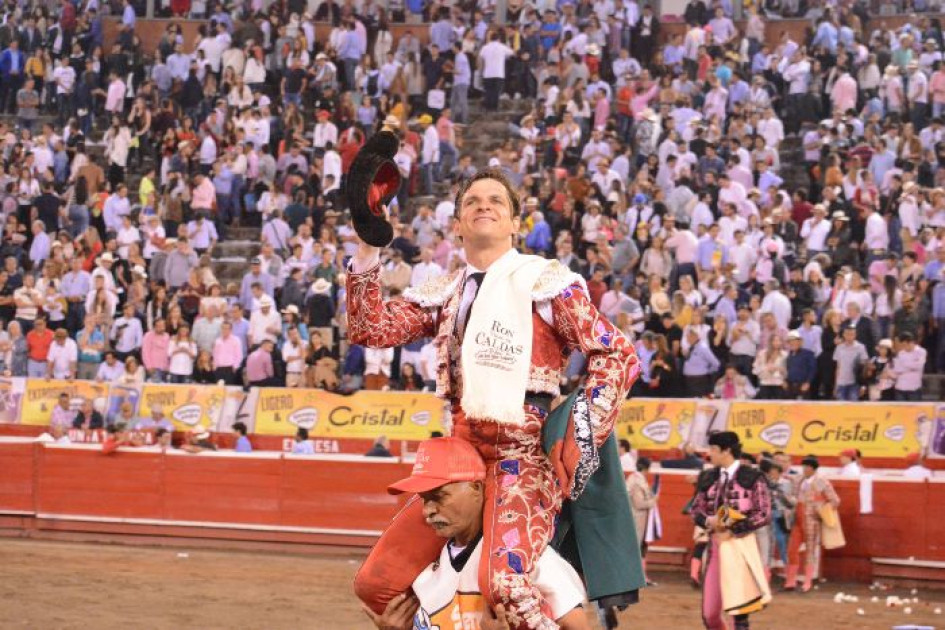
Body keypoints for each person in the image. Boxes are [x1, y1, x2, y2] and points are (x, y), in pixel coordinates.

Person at [350, 167, 639, 629]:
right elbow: (371, 328)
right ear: (458, 224)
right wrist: (367, 246)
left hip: (522, 455)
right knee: (376, 585)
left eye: (496, 201)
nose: (483, 205)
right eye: (472, 202)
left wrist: (581, 429)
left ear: (513, 224)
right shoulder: (447, 292)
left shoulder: (547, 283)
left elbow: (618, 354)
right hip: (459, 459)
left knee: (505, 585)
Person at [365, 437, 589, 630]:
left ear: (476, 488)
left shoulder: (526, 558)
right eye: (424, 499)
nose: (428, 511)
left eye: (439, 496)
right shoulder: (420, 572)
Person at [691, 431, 771, 630]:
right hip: (716, 549)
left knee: (739, 613)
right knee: (709, 615)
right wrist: (708, 520)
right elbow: (695, 509)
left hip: (741, 548)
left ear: (726, 451)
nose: (710, 454)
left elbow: (763, 512)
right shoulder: (708, 476)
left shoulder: (753, 477)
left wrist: (734, 530)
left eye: (713, 449)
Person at [785, 455, 840, 593]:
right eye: (803, 466)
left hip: (812, 520)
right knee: (792, 549)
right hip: (797, 519)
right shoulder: (799, 479)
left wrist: (821, 510)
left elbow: (835, 500)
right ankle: (791, 581)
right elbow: (787, 478)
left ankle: (807, 582)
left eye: (807, 467)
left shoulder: (821, 482)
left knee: (810, 551)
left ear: (813, 468)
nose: (805, 469)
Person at [626, 457, 659, 587]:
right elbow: (639, 504)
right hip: (637, 519)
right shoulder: (637, 481)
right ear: (647, 468)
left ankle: (640, 577)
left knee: (639, 547)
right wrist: (653, 501)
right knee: (635, 548)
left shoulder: (635, 479)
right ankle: (635, 578)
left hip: (637, 519)